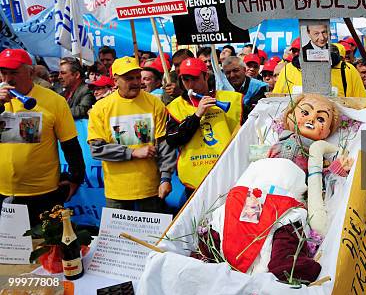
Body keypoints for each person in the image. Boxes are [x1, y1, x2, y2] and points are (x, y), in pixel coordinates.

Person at [0, 49, 85, 226]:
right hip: (3, 193)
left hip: (43, 194)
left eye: (14, 72)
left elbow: (70, 144)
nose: (8, 79)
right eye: (3, 72)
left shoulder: (54, 101)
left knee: (46, 250)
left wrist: (76, 177)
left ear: (30, 72)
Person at [87, 57, 176, 212]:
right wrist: (132, 153)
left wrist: (165, 178)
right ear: (115, 80)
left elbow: (164, 144)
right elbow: (97, 149)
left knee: (153, 236)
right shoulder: (101, 108)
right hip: (117, 193)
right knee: (119, 236)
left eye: (137, 77)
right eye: (129, 78)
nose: (136, 82)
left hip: (151, 190)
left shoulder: (154, 103)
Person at [166, 58, 242, 196]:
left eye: (194, 79)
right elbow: (172, 140)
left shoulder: (234, 99)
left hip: (227, 175)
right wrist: (196, 116)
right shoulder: (175, 106)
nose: (190, 84)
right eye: (185, 79)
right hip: (194, 179)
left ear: (206, 76)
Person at [273, 45, 366, 98]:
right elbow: (276, 106)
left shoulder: (347, 70)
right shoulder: (288, 70)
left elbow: (363, 108)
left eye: (322, 33)